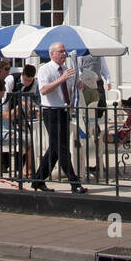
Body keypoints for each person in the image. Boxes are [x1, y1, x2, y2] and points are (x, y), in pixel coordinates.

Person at [31, 43, 88, 194]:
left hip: (63, 111)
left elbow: (69, 90)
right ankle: (74, 182)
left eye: (65, 51)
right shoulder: (45, 69)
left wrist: (78, 85)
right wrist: (62, 79)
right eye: (61, 51)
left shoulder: (67, 70)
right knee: (62, 149)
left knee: (55, 149)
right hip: (51, 111)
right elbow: (44, 90)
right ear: (52, 54)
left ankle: (38, 180)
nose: (64, 54)